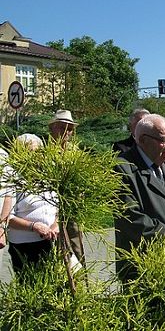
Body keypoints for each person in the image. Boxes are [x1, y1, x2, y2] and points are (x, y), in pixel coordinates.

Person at [114, 113, 165, 282]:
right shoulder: (122, 168)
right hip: (142, 268)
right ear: (142, 140)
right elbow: (128, 217)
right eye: (163, 140)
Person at [7, 134, 59, 274]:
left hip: (49, 241)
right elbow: (7, 217)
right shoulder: (11, 179)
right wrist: (33, 226)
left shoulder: (48, 175)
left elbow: (58, 206)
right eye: (28, 152)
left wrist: (56, 224)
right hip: (23, 244)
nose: (34, 157)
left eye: (37, 152)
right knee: (30, 285)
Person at [48, 109, 85, 267]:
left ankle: (80, 283)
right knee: (57, 249)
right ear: (52, 129)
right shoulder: (45, 152)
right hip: (52, 210)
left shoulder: (76, 152)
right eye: (62, 127)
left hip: (73, 207)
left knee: (77, 245)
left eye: (70, 128)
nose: (67, 131)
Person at [113, 108, 165, 177]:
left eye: (147, 123)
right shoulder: (121, 147)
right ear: (131, 126)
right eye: (140, 123)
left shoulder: (164, 152)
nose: (143, 126)